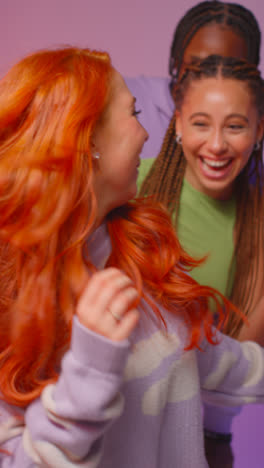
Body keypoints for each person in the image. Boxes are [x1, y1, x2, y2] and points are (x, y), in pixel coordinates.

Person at [0, 46, 264, 468]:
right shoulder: (10, 302)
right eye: (135, 113)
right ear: (87, 141)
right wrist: (89, 372)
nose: (146, 133)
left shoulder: (142, 255)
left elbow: (214, 361)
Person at [139, 53, 264, 466]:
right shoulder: (130, 186)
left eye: (235, 126)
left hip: (200, 434)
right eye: (200, 123)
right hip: (113, 422)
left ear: (258, 130)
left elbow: (242, 363)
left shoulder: (260, 225)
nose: (216, 145)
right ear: (176, 124)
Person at [125, 1, 261, 163]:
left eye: (229, 71)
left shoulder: (254, 123)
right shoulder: (127, 99)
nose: (213, 82)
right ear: (176, 61)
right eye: (198, 67)